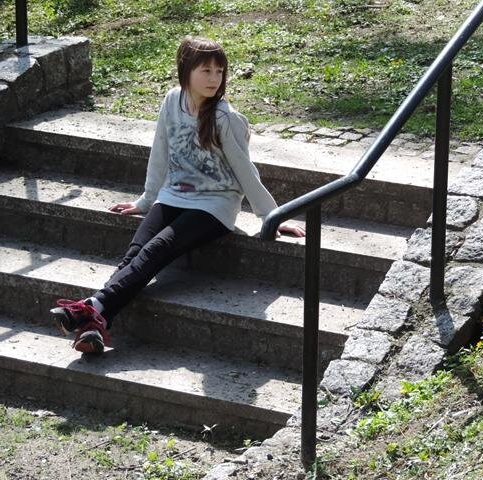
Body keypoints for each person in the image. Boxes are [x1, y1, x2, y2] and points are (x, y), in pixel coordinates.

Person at [51, 36, 305, 354]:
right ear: (186, 71)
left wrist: (271, 215)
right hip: (173, 195)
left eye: (219, 71)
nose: (214, 79)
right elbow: (160, 151)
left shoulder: (225, 118)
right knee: (134, 255)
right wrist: (147, 200)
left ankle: (86, 309)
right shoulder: (173, 100)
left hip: (214, 205)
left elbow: (245, 170)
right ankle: (95, 324)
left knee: (155, 251)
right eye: (206, 71)